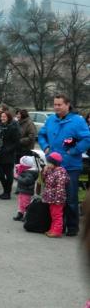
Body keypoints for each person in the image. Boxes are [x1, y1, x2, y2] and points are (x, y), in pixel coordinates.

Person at [38, 94, 90, 236]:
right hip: (53, 165)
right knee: (53, 196)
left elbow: (87, 139)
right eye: (54, 104)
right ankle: (56, 225)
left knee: (70, 197)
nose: (56, 107)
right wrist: (45, 147)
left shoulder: (77, 121)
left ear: (67, 105)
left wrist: (74, 150)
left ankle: (72, 227)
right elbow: (41, 135)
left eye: (59, 104)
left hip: (71, 165)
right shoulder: (50, 120)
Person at [42, 152, 71, 238]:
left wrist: (58, 199)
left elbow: (60, 187)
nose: (48, 164)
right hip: (51, 198)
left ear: (54, 163)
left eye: (49, 163)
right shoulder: (51, 170)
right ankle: (53, 229)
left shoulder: (60, 172)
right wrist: (45, 170)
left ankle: (57, 231)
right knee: (53, 214)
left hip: (57, 199)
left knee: (57, 215)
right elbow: (45, 179)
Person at [0, 111, 20, 200]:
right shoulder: (0, 126)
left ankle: (7, 193)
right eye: (1, 116)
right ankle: (4, 191)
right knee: (0, 174)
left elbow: (16, 142)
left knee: (8, 174)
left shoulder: (13, 127)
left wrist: (7, 150)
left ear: (9, 117)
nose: (3, 118)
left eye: (5, 117)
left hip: (8, 155)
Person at [12, 156, 38, 221]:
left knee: (26, 204)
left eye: (21, 164)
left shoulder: (29, 173)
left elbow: (26, 181)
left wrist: (18, 177)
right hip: (22, 190)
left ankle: (27, 215)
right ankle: (20, 213)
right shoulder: (25, 171)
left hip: (27, 191)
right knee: (21, 202)